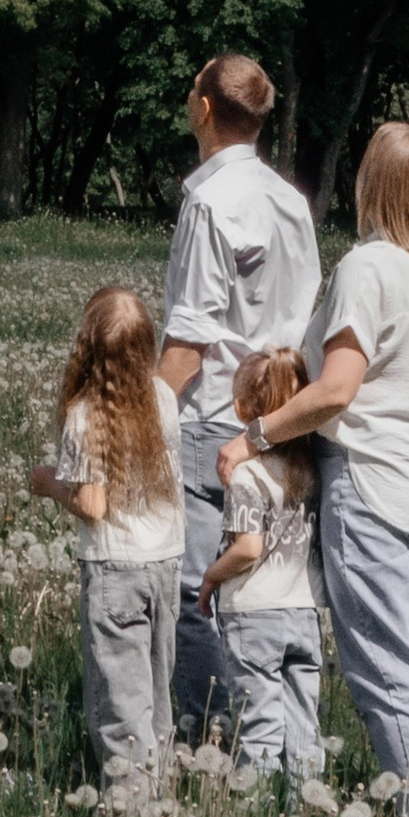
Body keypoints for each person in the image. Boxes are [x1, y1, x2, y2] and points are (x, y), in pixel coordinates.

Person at [247, 118, 409, 817]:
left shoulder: (368, 268)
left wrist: (258, 434)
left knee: (384, 674)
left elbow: (338, 390)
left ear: (378, 184)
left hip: (366, 487)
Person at [155, 54, 321, 745]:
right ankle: (283, 739)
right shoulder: (290, 200)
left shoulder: (208, 203)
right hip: (281, 421)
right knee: (274, 590)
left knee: (198, 593)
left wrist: (139, 419)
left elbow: (189, 344)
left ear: (202, 109)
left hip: (215, 425)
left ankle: (210, 734)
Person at [28, 281, 183, 797]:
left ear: (86, 350)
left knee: (121, 707)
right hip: (165, 566)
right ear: (148, 346)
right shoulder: (162, 397)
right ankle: (159, 804)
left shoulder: (85, 416)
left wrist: (50, 484)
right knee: (157, 699)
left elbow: (92, 505)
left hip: (116, 571)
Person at [195, 344, 320, 792]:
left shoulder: (247, 476)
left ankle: (259, 813)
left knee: (260, 726)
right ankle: (306, 806)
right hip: (304, 612)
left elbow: (248, 548)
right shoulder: (306, 472)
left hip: (254, 616)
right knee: (304, 724)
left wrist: (211, 576)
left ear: (240, 408)